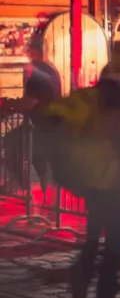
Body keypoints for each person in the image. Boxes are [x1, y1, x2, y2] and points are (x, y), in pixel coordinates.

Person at [69, 42, 120, 298]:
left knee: (91, 244)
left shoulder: (94, 94)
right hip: (116, 180)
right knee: (113, 249)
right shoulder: (119, 95)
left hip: (95, 178)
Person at [16, 37, 61, 193]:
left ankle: (23, 188)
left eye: (29, 51)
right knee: (38, 156)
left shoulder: (38, 73)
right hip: (49, 125)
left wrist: (10, 105)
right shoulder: (51, 69)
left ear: (34, 51)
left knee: (13, 144)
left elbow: (29, 102)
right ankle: (41, 188)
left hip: (39, 125)